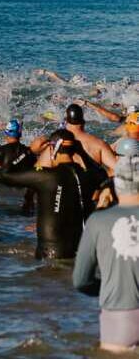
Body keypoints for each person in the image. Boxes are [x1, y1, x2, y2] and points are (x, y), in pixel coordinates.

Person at [0, 130, 109, 259]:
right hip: (79, 254)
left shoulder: (46, 177)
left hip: (50, 256)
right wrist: (82, 153)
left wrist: (29, 151)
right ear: (74, 149)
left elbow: (3, 175)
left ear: (52, 149)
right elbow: (103, 174)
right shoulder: (88, 176)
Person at [74, 142, 139, 352]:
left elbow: (81, 280)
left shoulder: (98, 221)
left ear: (117, 182)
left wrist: (110, 285)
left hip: (120, 314)